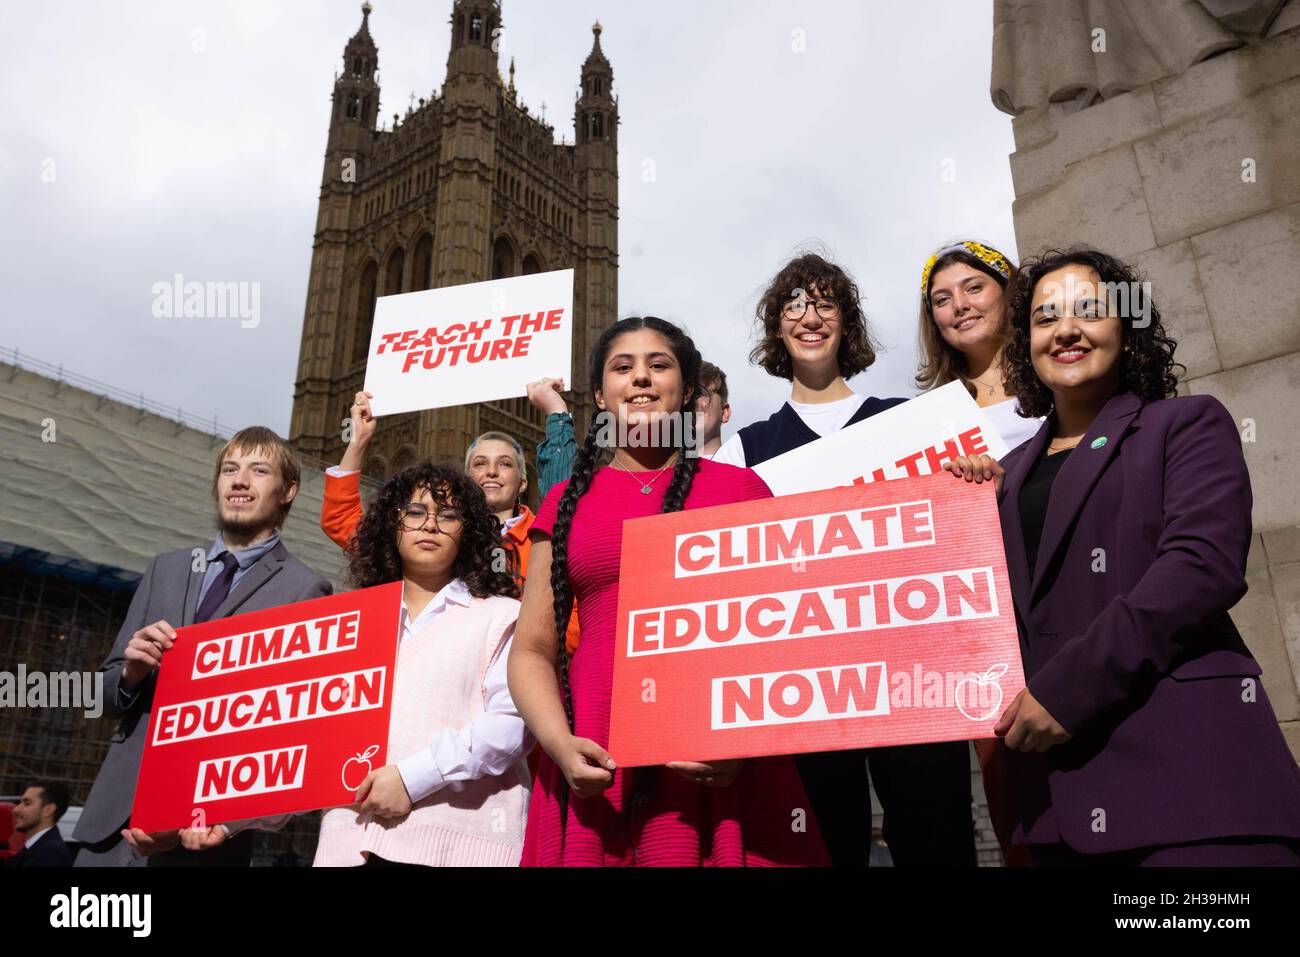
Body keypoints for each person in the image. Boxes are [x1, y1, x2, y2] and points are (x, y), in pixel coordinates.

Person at [945, 247, 1300, 865]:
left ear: (1127, 328)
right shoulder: (1002, 477)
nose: (1067, 330)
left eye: (1089, 310)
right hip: (1052, 813)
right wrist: (959, 508)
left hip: (1190, 790)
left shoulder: (1185, 425)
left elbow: (1200, 567)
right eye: (1045, 316)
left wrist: (1070, 689)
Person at [508, 316, 829, 866]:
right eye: (622, 367)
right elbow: (532, 649)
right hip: (594, 749)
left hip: (725, 758)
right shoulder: (563, 502)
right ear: (599, 394)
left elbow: (796, 634)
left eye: (659, 366)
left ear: (686, 390)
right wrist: (560, 746)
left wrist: (746, 743)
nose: (640, 379)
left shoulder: (742, 491)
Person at [716, 252, 976, 867]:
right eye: (794, 305)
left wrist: (973, 480)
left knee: (935, 843)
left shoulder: (912, 424)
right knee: (822, 850)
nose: (810, 317)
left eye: (826, 303)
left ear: (847, 322)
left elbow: (956, 540)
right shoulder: (742, 452)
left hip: (912, 678)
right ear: (777, 327)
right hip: (804, 688)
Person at [187, 465, 532, 866]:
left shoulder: (502, 616)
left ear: (469, 533)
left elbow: (511, 725)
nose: (431, 525)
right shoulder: (349, 629)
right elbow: (312, 749)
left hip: (456, 848)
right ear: (392, 525)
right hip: (347, 848)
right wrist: (229, 819)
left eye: (449, 515)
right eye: (415, 512)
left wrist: (413, 778)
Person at [72, 427, 332, 867]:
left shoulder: (303, 590)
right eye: (230, 469)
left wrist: (222, 819)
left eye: (258, 470)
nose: (240, 480)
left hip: (202, 837)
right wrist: (132, 673)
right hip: (114, 826)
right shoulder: (166, 569)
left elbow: (292, 740)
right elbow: (102, 697)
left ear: (288, 491)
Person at [321, 390, 579, 655]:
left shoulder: (545, 540)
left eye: (504, 464)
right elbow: (341, 520)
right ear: (467, 478)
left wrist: (506, 626)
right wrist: (358, 442)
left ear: (523, 481)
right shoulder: (440, 535)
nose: (491, 471)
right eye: (480, 463)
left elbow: (574, 629)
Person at [917, 239, 1042, 451]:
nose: (959, 305)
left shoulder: (1057, 379)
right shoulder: (929, 417)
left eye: (974, 288)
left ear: (1008, 290)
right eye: (942, 300)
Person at [11, 782, 72, 867]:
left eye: (27, 803)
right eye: (19, 803)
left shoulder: (51, 854)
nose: (16, 809)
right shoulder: (36, 849)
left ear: (48, 810)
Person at [694, 361, 732, 458]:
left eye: (700, 393)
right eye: (683, 396)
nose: (691, 402)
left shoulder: (746, 470)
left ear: (724, 412)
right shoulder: (655, 471)